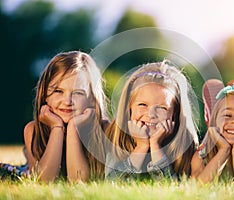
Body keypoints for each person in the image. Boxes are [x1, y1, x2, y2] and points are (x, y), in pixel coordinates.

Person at [105, 60, 199, 180]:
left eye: (161, 108)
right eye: (143, 105)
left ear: (175, 113)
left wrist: (155, 147)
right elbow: (113, 185)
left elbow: (173, 191)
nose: (151, 114)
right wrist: (142, 146)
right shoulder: (116, 138)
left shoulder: (185, 144)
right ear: (129, 108)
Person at [23, 51, 108, 182]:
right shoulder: (32, 130)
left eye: (78, 93)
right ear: (45, 94)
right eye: (58, 91)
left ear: (92, 99)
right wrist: (57, 128)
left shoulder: (105, 130)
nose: (67, 101)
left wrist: (73, 128)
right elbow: (43, 181)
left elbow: (78, 181)